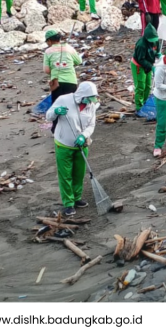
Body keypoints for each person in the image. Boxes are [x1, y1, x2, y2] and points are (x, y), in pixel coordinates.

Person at [45, 81, 100, 216]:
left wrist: (83, 136)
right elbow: (48, 116)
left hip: (81, 145)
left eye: (92, 99)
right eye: (88, 98)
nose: (90, 101)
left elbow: (91, 125)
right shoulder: (64, 100)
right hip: (63, 145)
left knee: (79, 174)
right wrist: (56, 112)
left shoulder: (91, 106)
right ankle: (68, 203)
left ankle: (77, 198)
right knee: (65, 175)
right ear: (82, 95)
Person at [43, 30, 82, 101]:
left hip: (57, 83)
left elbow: (47, 70)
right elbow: (79, 61)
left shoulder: (48, 51)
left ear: (49, 40)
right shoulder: (68, 48)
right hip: (71, 81)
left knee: (58, 106)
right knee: (70, 104)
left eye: (46, 41)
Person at [131, 24, 159, 112]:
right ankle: (139, 106)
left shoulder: (156, 41)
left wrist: (157, 54)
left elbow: (155, 50)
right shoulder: (141, 45)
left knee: (148, 85)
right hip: (138, 65)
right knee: (140, 86)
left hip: (149, 63)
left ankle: (145, 103)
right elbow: (141, 59)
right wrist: (151, 67)